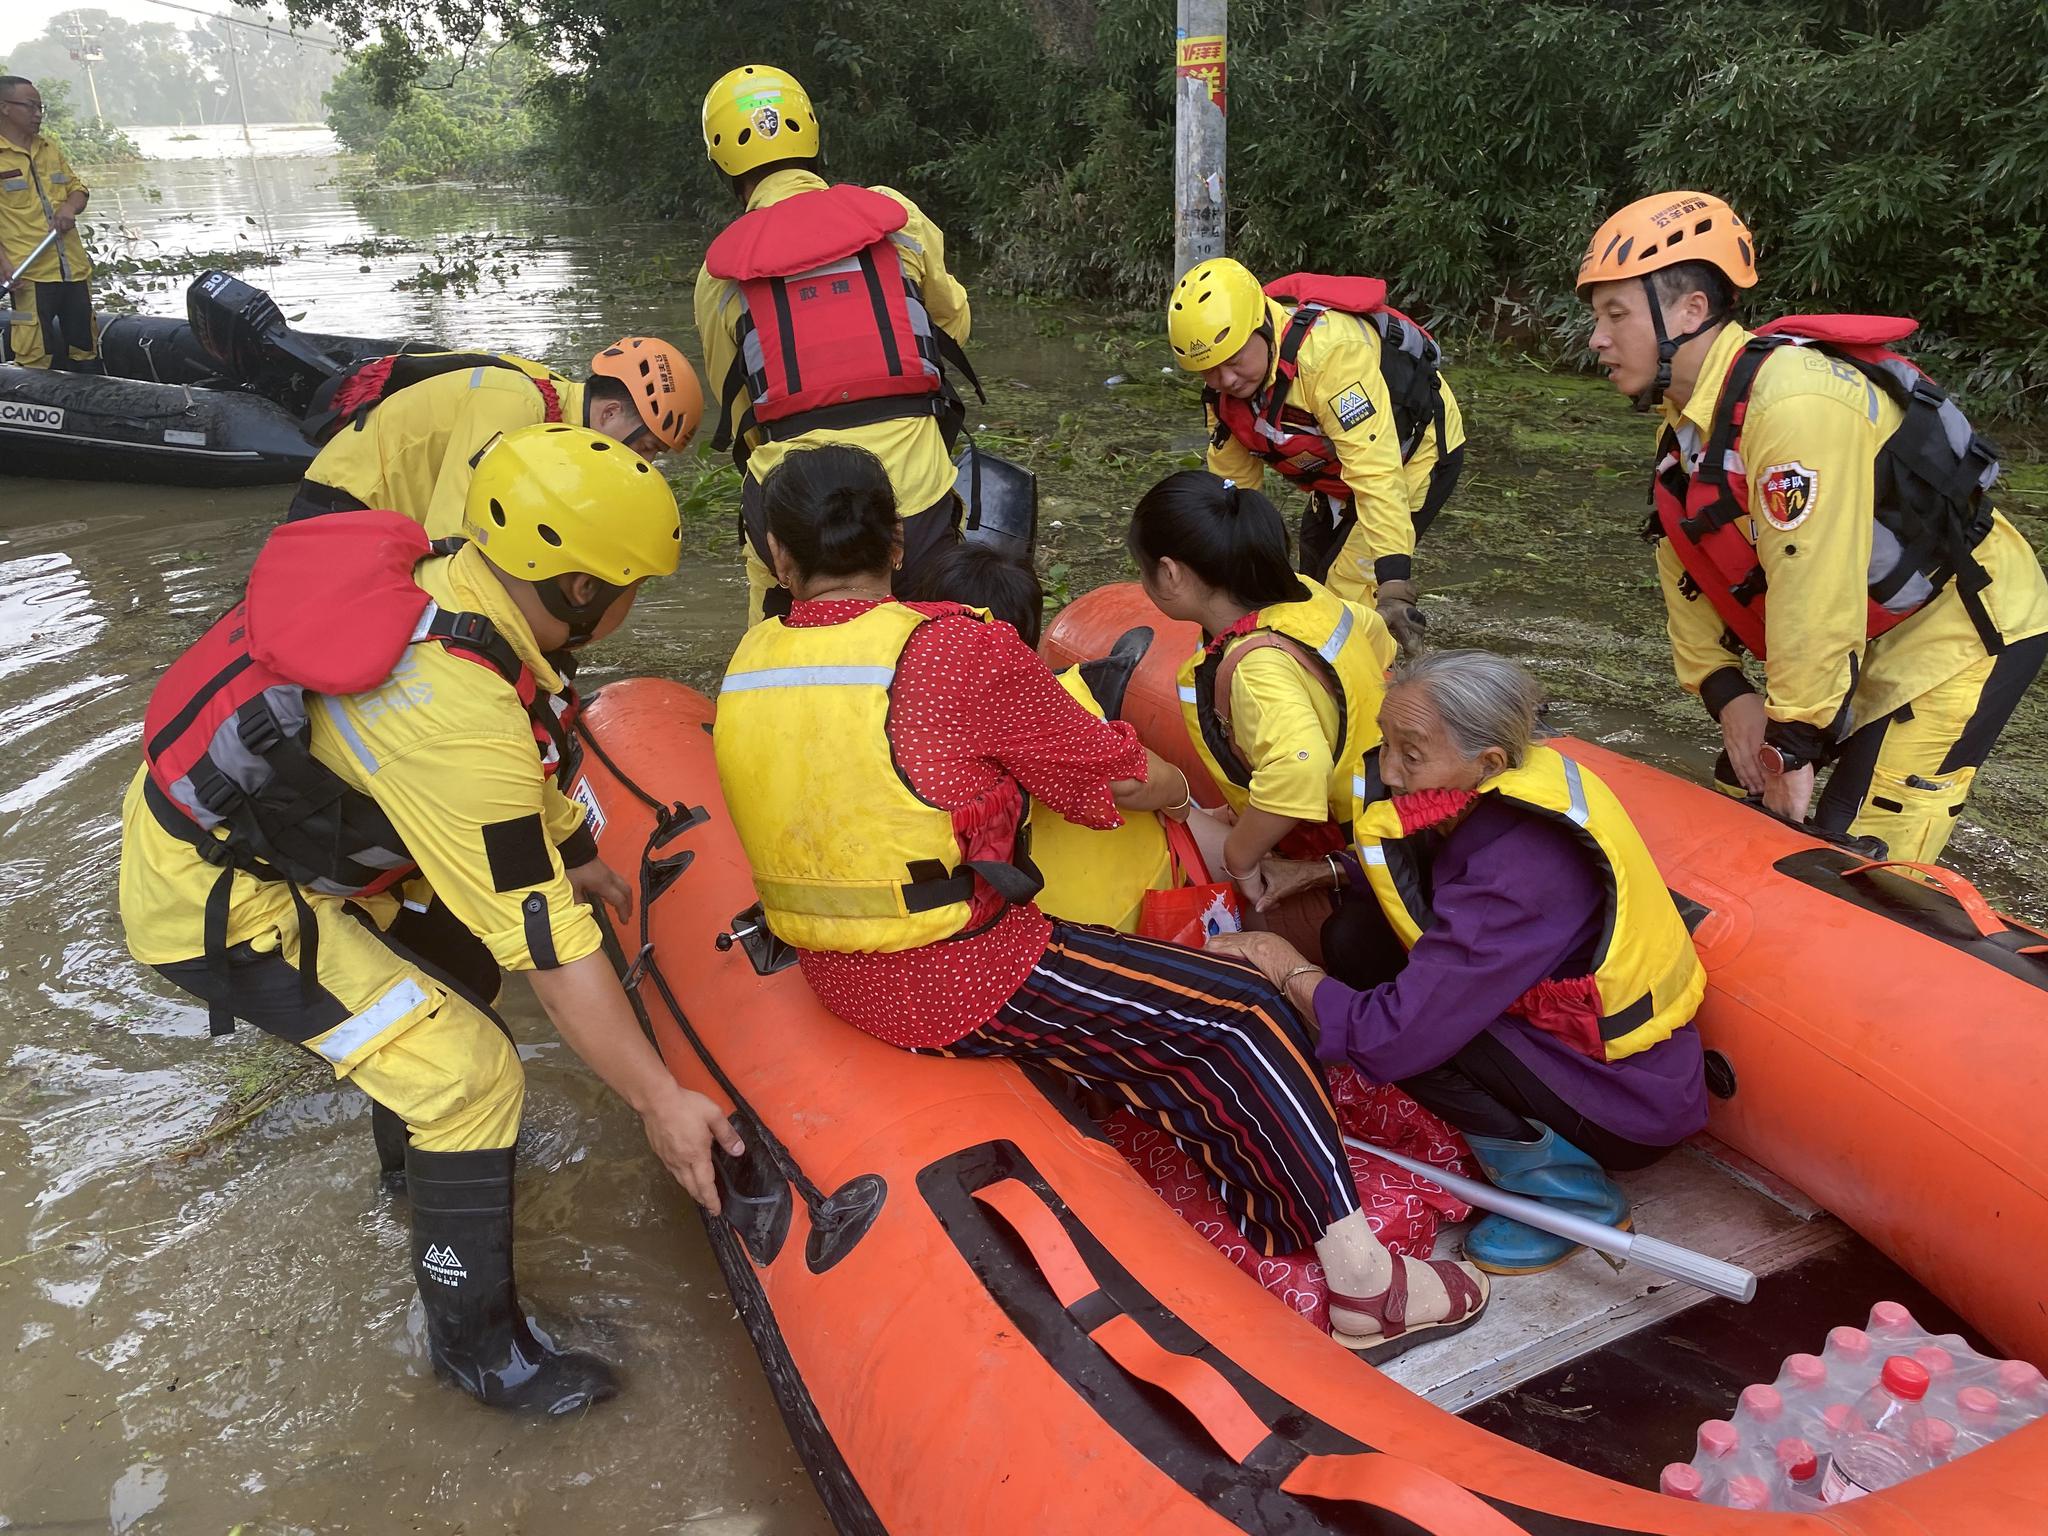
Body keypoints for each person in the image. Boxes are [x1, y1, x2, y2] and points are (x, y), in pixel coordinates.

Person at [711, 444, 1488, 1359]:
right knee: (1241, 1012)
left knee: (1158, 1003)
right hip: (956, 972)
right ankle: (1366, 1286)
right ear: (894, 544)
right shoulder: (954, 649)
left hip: (833, 970)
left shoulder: (752, 661)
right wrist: (1182, 798)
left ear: (777, 557)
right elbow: (1112, 773)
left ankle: (1264, 1200)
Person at [119, 423, 741, 1415]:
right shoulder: (446, 708)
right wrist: (659, 1102)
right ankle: (480, 1358)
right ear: (581, 590)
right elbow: (546, 940)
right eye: (632, 584)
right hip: (223, 905)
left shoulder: (455, 590)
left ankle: (414, 1184)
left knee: (457, 977)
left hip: (260, 840)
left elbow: (519, 753)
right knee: (468, 1074)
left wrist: (572, 848)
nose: (635, 602)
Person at [1580, 190, 2048, 862]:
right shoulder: (1686, 429)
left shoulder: (1793, 403)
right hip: (1861, 639)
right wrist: (1728, 693)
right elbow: (1685, 562)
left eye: (1615, 314)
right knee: (1757, 810)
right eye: (1597, 315)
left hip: (1957, 632)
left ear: (1691, 310)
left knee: (1859, 855)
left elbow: (1814, 582)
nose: (1596, 337)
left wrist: (1792, 744)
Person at [1213, 650, 1708, 1276]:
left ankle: (1572, 1195)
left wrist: (1280, 962)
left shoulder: (1521, 867)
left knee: (1401, 1038)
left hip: (1623, 1101)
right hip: (1574, 1039)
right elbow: (1427, 876)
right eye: (1385, 744)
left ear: (1490, 761)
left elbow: (1390, 1038)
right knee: (1355, 935)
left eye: (1411, 754)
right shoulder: (1493, 789)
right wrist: (1328, 869)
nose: (1389, 772)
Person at [694, 64, 980, 626]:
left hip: (798, 513)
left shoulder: (720, 275)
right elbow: (953, 327)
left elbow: (741, 414)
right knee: (939, 617)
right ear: (813, 133)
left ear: (723, 163)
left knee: (769, 599)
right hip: (916, 499)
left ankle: (770, 671)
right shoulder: (896, 221)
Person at [1166, 258, 1465, 649]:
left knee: (1345, 593)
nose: (1226, 380)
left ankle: (1374, 676)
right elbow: (1233, 491)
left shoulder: (1331, 356)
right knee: (1310, 580)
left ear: (1262, 327)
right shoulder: (1227, 392)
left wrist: (1393, 583)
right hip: (1333, 465)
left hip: (1412, 454)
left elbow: (1376, 472)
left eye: (1234, 363)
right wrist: (1225, 575)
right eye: (1209, 372)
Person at [1129, 471, 1396, 907]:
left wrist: (1241, 857)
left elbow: (1300, 768)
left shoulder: (1255, 668)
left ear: (1170, 572)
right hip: (1379, 802)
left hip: (1343, 844)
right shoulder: (1310, 594)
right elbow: (1377, 636)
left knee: (1156, 819)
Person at [902, 542, 1181, 932]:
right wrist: (1182, 795)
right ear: (1029, 636)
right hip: (1108, 916)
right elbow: (1135, 782)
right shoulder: (1062, 697)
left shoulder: (899, 715)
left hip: (982, 920)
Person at [289, 336, 704, 535]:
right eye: (647, 448)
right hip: (340, 512)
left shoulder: (554, 407)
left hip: (382, 517)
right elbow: (453, 535)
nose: (642, 464)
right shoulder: (515, 403)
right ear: (611, 411)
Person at [0, 75, 101, 373]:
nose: (38, 114)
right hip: (29, 273)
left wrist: (70, 206)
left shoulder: (49, 149)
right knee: (34, 353)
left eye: (40, 107)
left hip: (73, 269)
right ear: (5, 108)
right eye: (31, 106)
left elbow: (78, 189)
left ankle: (93, 405)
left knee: (85, 347)